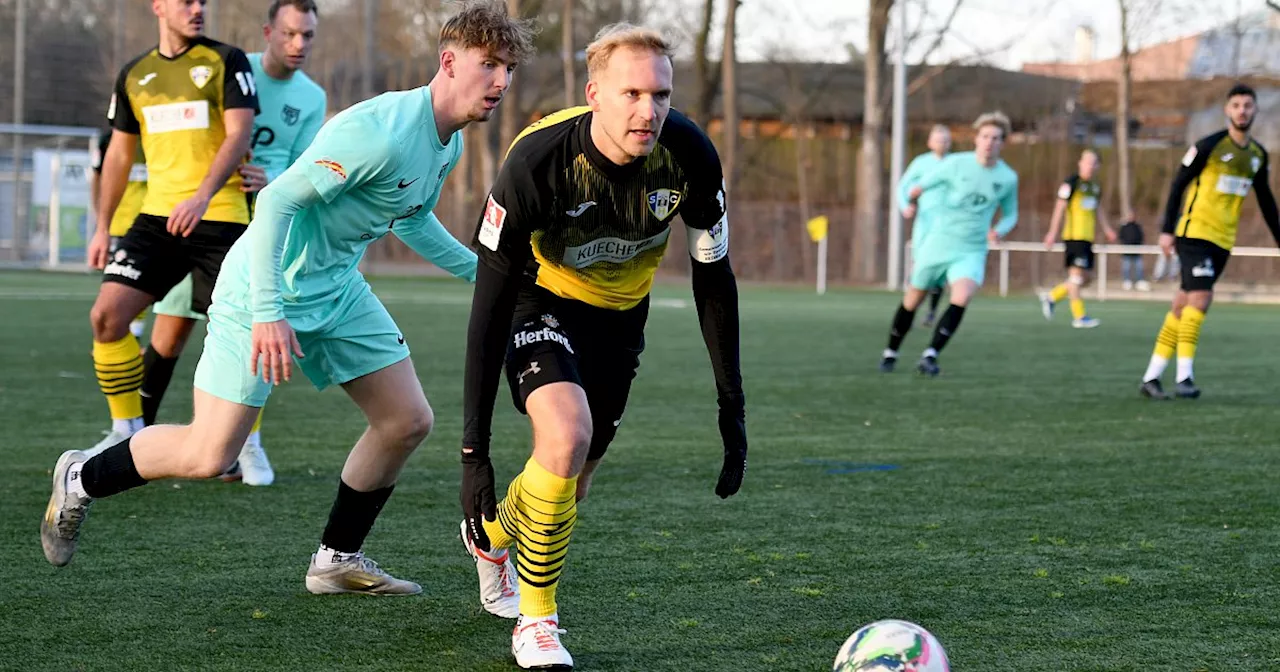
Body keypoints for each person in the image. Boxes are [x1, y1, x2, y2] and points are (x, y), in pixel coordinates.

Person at [41, 1, 536, 601]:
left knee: (406, 420)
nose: (501, 82)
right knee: (208, 453)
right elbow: (277, 203)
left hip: (338, 290)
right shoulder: (378, 131)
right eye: (490, 65)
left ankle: (335, 560)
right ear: (449, 61)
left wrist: (493, 277)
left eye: (508, 69)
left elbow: (412, 218)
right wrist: (270, 313)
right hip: (261, 289)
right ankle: (80, 476)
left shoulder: (446, 140)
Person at [457, 23, 748, 670]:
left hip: (621, 321)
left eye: (662, 94)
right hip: (542, 300)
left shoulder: (692, 157)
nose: (649, 110)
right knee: (564, 436)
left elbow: (713, 274)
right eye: (632, 93)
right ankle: (537, 625)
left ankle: (492, 536)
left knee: (570, 483)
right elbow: (488, 309)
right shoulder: (537, 162)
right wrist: (474, 454)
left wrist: (732, 404)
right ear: (594, 94)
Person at [141, 0, 328, 486]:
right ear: (268, 31)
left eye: (307, 35)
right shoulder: (232, 67)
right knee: (172, 327)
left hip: (261, 227)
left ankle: (246, 443)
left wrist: (275, 177)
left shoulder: (312, 97)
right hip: (210, 214)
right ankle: (135, 430)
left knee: (251, 334)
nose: (298, 45)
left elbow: (311, 165)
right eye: (289, 33)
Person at [82, 0, 259, 457]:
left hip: (221, 218)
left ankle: (244, 444)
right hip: (157, 221)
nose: (197, 9)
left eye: (203, 2)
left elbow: (239, 132)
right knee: (107, 316)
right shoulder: (134, 75)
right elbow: (119, 156)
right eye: (186, 1)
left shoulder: (226, 60)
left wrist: (201, 196)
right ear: (158, 6)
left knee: (244, 335)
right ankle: (125, 430)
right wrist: (102, 227)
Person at [1139, 83, 1279, 400]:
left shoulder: (1257, 155)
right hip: (1194, 233)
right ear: (1227, 110)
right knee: (1201, 298)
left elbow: (1267, 201)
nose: (1242, 110)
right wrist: (1166, 229)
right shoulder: (1209, 146)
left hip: (1222, 241)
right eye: (1236, 105)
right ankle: (1184, 378)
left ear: (1255, 110)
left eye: (1247, 105)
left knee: (1182, 305)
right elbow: (1178, 184)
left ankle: (1151, 377)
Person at [879, 111, 1019, 377]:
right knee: (913, 299)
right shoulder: (957, 164)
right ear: (976, 139)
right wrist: (913, 193)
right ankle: (891, 351)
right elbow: (924, 182)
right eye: (985, 136)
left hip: (972, 248)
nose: (990, 142)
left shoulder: (1008, 178)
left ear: (1003, 143)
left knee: (962, 295)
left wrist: (998, 230)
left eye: (996, 138)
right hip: (939, 242)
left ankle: (930, 355)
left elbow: (1011, 213)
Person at [1038, 148, 1117, 328]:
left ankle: (1052, 297)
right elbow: (1059, 208)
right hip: (1074, 237)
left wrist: (1107, 229)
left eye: (1093, 163)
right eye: (1086, 162)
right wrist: (1052, 232)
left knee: (1087, 278)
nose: (1089, 166)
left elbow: (1098, 209)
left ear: (1097, 166)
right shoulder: (1071, 183)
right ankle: (1079, 317)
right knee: (1075, 278)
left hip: (1088, 239)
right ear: (1080, 163)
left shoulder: (1095, 187)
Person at [89, 129, 149, 342]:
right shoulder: (108, 140)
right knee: (123, 283)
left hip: (153, 222)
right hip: (120, 223)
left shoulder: (162, 133)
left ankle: (133, 338)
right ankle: (125, 340)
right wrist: (101, 219)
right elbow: (97, 177)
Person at [898, 124, 952, 328]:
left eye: (946, 140)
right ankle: (909, 311)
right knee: (919, 267)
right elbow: (902, 186)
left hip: (948, 226)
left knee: (939, 271)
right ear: (930, 142)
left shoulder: (954, 164)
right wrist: (905, 206)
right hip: (925, 224)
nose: (942, 143)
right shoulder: (921, 163)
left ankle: (931, 312)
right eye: (938, 139)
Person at [1118, 212, 1150, 291]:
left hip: (1137, 251)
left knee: (1139, 267)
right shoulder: (1124, 227)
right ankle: (1127, 281)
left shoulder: (1138, 227)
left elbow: (1141, 236)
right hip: (1126, 251)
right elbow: (1121, 236)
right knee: (1126, 267)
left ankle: (1140, 282)